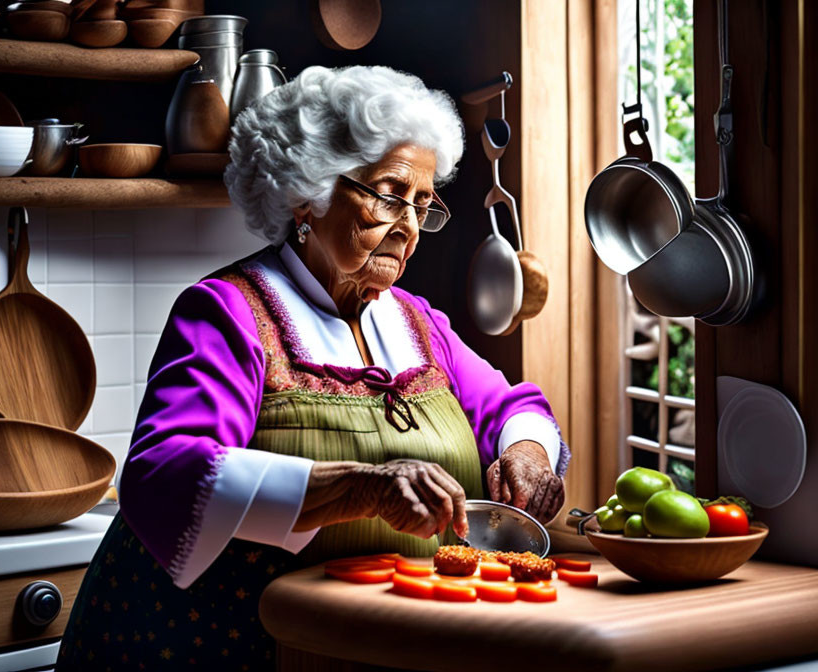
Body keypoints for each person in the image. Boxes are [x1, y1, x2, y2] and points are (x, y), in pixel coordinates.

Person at [55, 65, 570, 670]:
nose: (407, 227)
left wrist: (528, 455)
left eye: (423, 205)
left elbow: (510, 407)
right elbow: (166, 469)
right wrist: (359, 487)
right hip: (231, 648)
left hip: (377, 646)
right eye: (389, 195)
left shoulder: (417, 321)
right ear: (309, 194)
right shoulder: (228, 313)